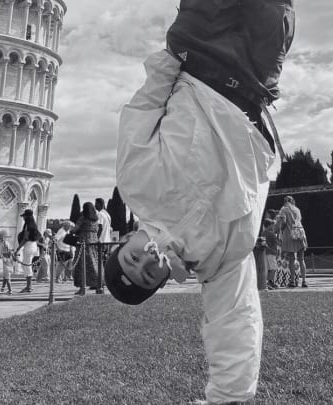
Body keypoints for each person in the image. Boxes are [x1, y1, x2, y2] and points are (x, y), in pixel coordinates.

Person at [104, 48, 283, 403]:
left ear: (125, 240)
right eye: (148, 274)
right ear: (162, 282)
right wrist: (228, 398)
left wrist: (174, 53)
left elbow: (143, 110)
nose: (147, 260)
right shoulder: (217, 262)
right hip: (252, 94)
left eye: (132, 258)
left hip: (204, 65)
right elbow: (235, 325)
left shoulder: (134, 186)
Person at [278, 196, 308, 288]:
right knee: (301, 259)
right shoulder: (297, 209)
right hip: (300, 233)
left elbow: (283, 222)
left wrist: (281, 229)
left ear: (285, 201)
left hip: (290, 235)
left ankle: (292, 281)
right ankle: (304, 281)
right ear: (292, 201)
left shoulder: (284, 209)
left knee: (292, 259)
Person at [72, 202, 101, 295]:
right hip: (94, 243)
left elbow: (75, 229)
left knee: (81, 266)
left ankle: (82, 288)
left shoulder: (83, 218)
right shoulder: (96, 220)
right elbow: (97, 230)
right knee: (94, 265)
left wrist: (72, 230)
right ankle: (98, 285)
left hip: (84, 243)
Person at [15, 209, 41, 293]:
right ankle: (29, 285)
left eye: (24, 216)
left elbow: (25, 238)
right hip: (34, 246)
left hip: (28, 246)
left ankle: (29, 286)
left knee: (26, 265)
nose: (23, 218)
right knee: (27, 265)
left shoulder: (28, 226)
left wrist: (18, 248)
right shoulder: (34, 225)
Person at [261, 218, 279, 290]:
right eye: (272, 225)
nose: (273, 226)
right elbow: (276, 243)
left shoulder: (263, 233)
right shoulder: (272, 234)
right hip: (271, 253)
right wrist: (276, 252)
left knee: (268, 268)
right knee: (273, 268)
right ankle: (270, 282)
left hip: (265, 253)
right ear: (269, 225)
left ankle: (267, 282)